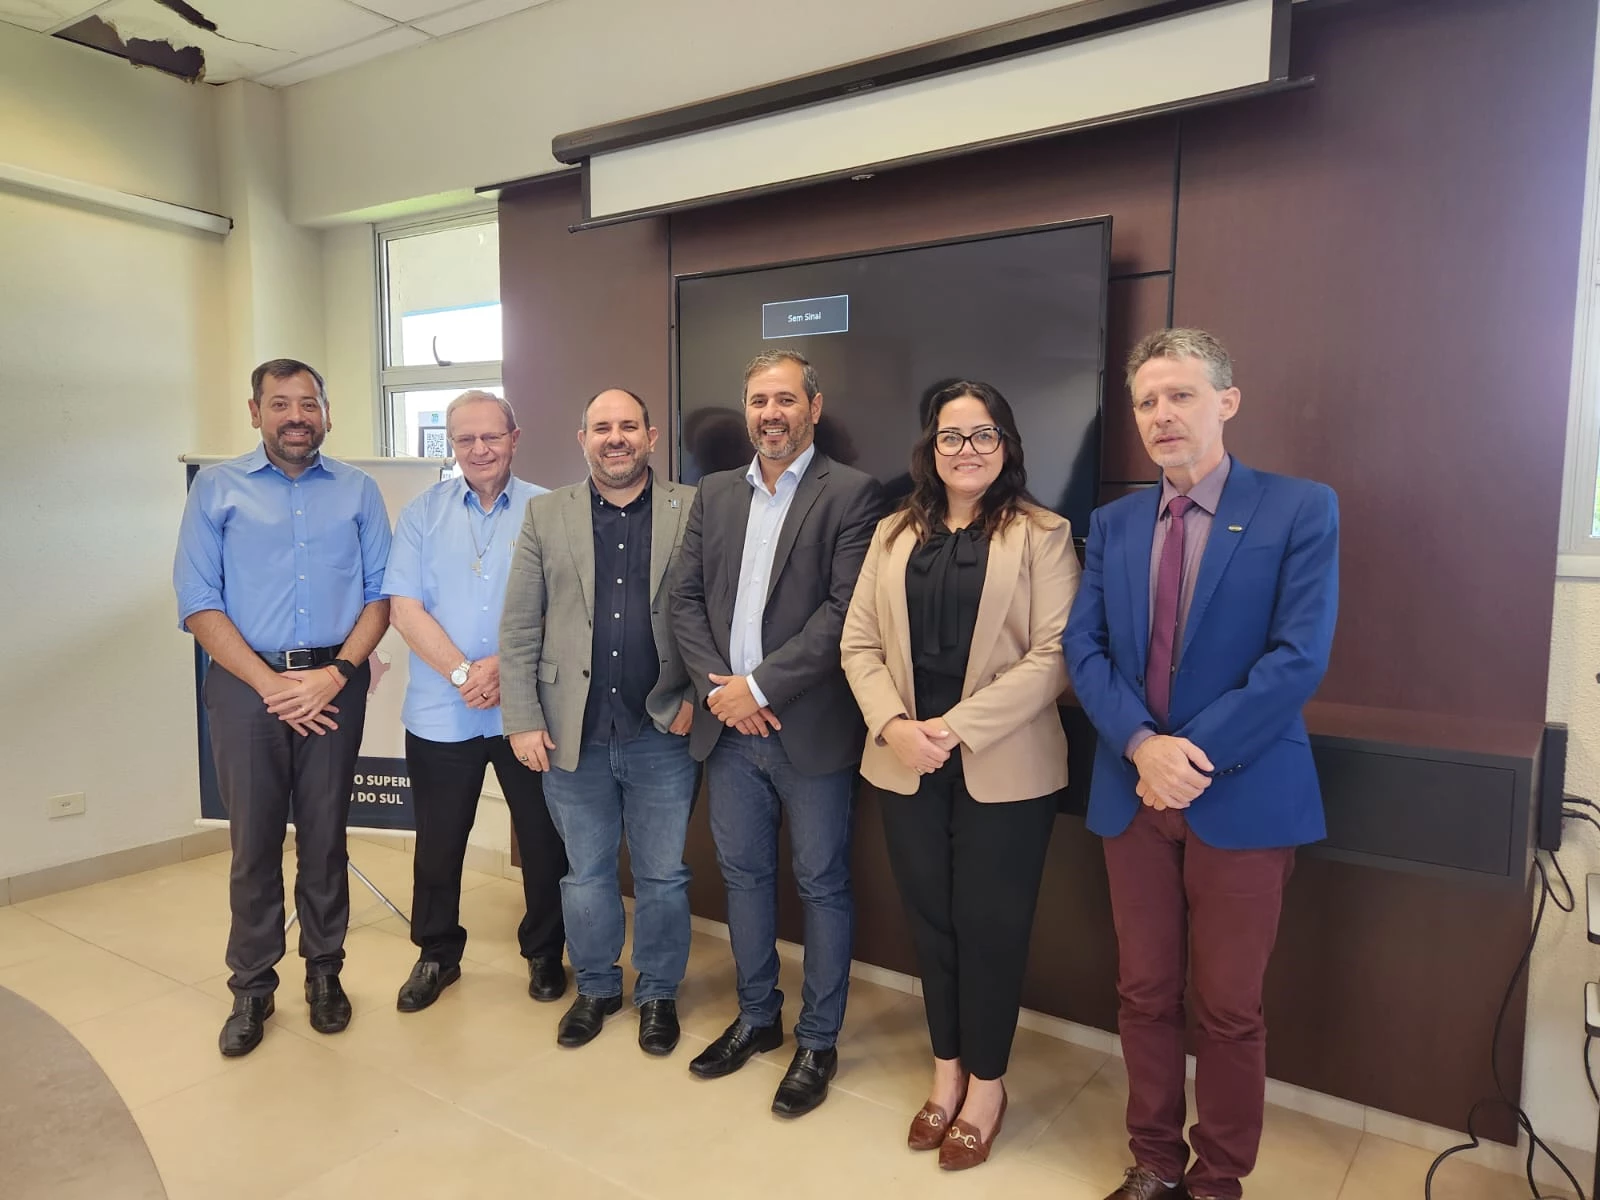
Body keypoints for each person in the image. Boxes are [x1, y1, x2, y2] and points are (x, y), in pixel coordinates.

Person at [1062, 329, 1339, 1200]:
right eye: (1146, 401)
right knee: (1143, 993)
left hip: (1244, 793)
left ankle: (1219, 1178)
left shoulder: (1299, 509)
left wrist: (1192, 755)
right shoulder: (1113, 524)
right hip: (1132, 792)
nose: (1161, 415)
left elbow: (1298, 657)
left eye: (1180, 395)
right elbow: (1084, 648)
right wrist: (1143, 747)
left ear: (1227, 401)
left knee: (1228, 1008)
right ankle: (1154, 1162)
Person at [840, 380, 1079, 1170]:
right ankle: (946, 1072)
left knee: (991, 928)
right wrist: (894, 727)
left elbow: (1055, 656)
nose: (966, 449)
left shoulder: (1044, 534)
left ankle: (987, 1086)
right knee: (932, 923)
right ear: (929, 447)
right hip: (904, 761)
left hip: (1004, 766)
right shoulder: (891, 533)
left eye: (983, 435)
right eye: (951, 436)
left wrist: (952, 729)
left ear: (1006, 445)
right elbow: (858, 643)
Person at [667, 349, 883, 1117]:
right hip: (728, 733)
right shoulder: (716, 492)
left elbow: (844, 613)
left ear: (813, 408)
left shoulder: (852, 494)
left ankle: (818, 1041)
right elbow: (684, 600)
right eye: (759, 400)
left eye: (785, 399)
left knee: (822, 884)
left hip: (809, 728)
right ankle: (757, 1017)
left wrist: (756, 688)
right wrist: (722, 694)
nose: (770, 414)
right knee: (745, 878)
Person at [173, 358, 392, 1057]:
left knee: (326, 839)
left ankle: (325, 974)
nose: (296, 416)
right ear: (255, 411)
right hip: (246, 687)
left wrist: (337, 673)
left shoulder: (359, 491)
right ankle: (252, 986)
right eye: (280, 403)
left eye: (308, 403)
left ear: (326, 411)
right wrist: (271, 686)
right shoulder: (216, 489)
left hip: (334, 682)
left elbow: (382, 595)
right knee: (254, 843)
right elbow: (198, 601)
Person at [500, 388, 699, 1055]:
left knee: (663, 875)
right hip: (570, 731)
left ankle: (658, 993)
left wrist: (698, 697)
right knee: (584, 873)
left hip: (661, 729)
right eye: (602, 427)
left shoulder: (692, 509)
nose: (616, 438)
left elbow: (715, 613)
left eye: (628, 426)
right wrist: (522, 719)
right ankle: (596, 986)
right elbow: (519, 626)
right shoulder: (545, 514)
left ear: (651, 436)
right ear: (582, 438)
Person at [381, 390, 568, 1013]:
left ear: (515, 438)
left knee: (543, 840)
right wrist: (465, 673)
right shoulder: (421, 514)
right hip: (441, 711)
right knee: (438, 843)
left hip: (527, 710)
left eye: (492, 436)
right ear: (451, 445)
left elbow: (568, 607)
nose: (480, 449)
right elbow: (404, 608)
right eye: (466, 439)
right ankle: (436, 953)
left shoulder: (551, 510)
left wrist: (505, 671)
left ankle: (545, 950)